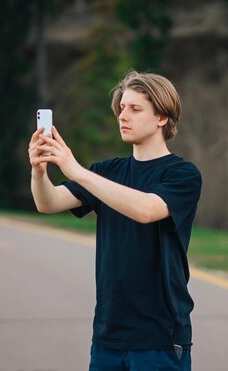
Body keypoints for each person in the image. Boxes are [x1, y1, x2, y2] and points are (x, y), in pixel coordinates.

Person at [28, 70, 202, 371]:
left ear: (162, 117)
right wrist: (39, 170)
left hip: (159, 339)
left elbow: (147, 210)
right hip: (108, 337)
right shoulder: (107, 171)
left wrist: (77, 170)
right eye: (122, 108)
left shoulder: (182, 174)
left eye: (135, 109)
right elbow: (48, 202)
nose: (124, 115)